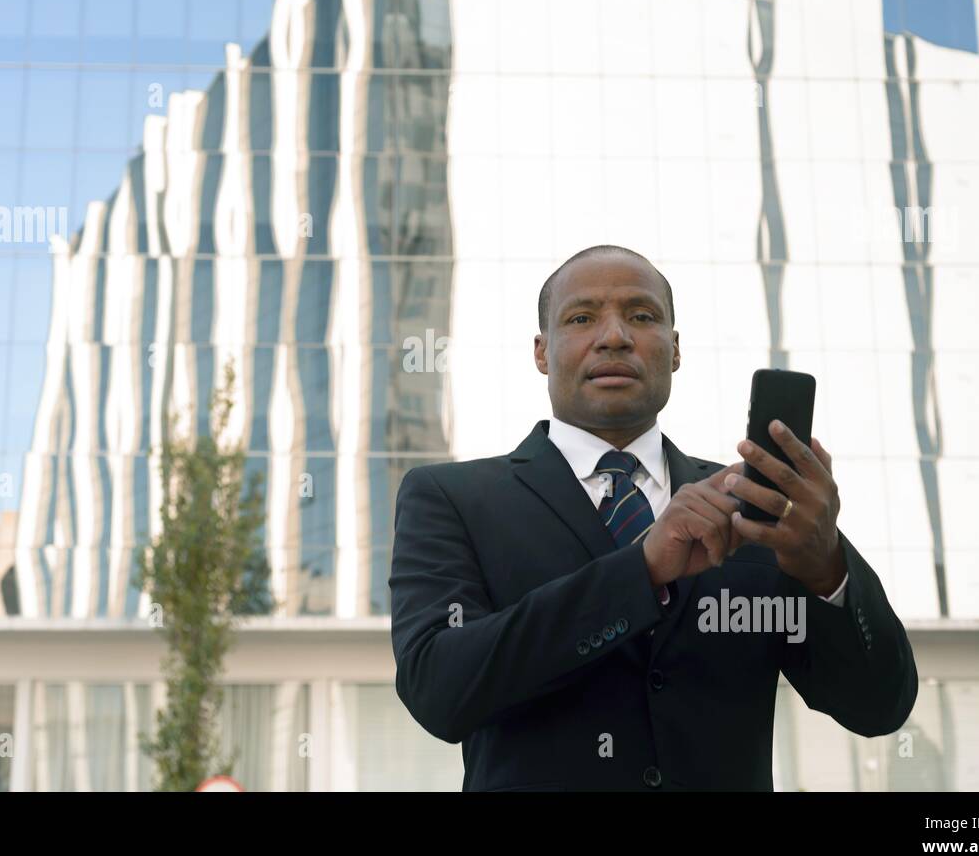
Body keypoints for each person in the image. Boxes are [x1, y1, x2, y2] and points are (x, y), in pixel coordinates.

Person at [389, 245, 918, 790]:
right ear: (542, 352)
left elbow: (879, 707)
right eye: (581, 317)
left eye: (642, 316)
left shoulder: (757, 508)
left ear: (675, 350)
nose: (614, 335)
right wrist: (638, 572)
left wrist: (826, 567)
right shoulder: (451, 498)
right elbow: (439, 690)